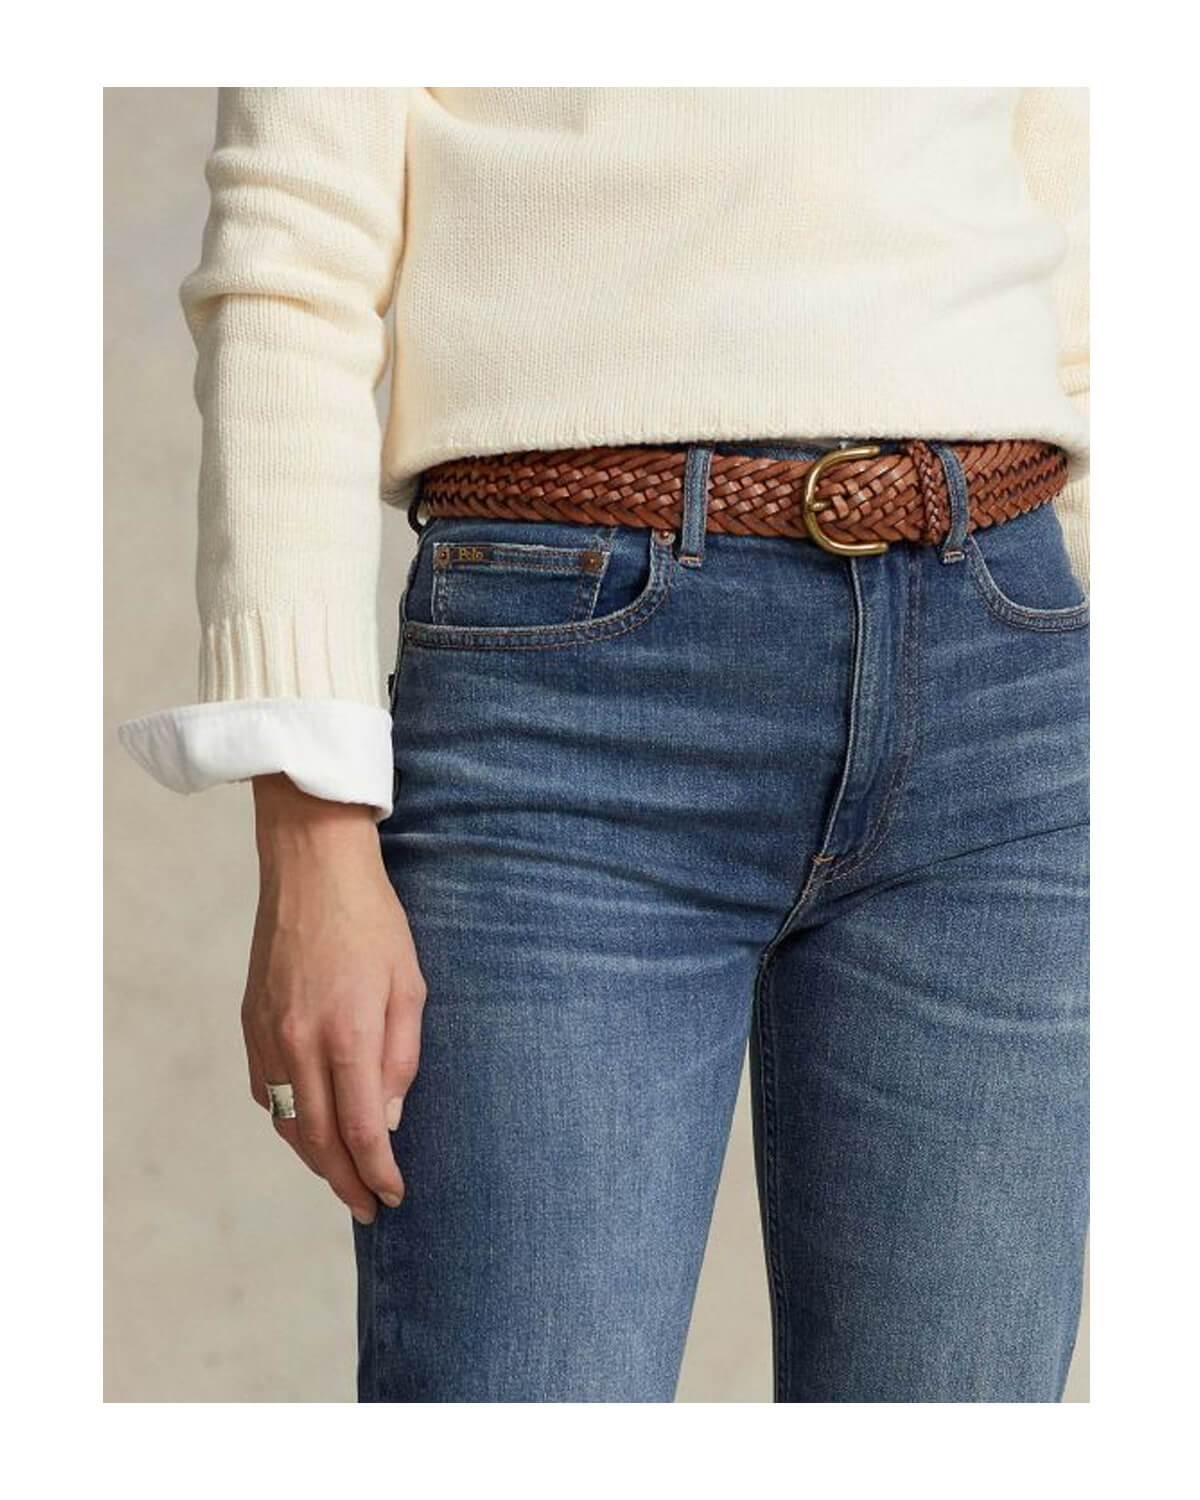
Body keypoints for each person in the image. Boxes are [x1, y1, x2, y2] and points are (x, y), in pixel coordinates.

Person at [118, 87, 1089, 1403]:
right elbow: (288, 271)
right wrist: (310, 829)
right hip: (568, 704)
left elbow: (1089, 274)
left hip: (1010, 682)